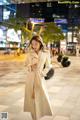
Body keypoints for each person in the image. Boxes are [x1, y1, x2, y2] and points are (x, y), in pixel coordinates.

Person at [24, 35, 53, 120]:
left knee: (41, 98)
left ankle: (38, 116)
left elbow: (48, 66)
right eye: (32, 44)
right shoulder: (29, 53)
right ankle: (34, 117)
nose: (34, 46)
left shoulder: (46, 53)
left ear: (40, 43)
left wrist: (42, 73)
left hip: (40, 78)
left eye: (36, 43)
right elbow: (25, 65)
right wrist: (30, 66)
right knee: (32, 100)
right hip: (30, 78)